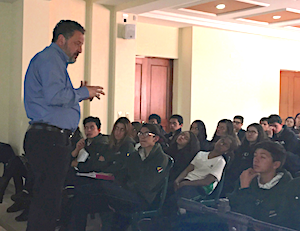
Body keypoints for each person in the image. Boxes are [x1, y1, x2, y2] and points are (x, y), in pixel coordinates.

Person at [23, 20, 104, 231]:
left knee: (45, 201)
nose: (80, 49)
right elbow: (55, 96)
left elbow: (55, 98)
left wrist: (77, 94)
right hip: (49, 140)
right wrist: (84, 93)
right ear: (61, 40)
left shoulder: (50, 61)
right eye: (77, 43)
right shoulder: (51, 60)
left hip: (47, 139)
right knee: (48, 203)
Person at [228, 141, 292, 227]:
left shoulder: (287, 187)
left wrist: (245, 189)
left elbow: (253, 216)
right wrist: (243, 186)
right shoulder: (247, 178)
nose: (256, 160)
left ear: (276, 164)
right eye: (255, 155)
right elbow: (233, 206)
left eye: (262, 157)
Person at [221, 123, 268, 196]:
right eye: (248, 131)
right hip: (235, 174)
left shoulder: (262, 149)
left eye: (253, 132)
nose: (250, 134)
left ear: (259, 134)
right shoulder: (241, 148)